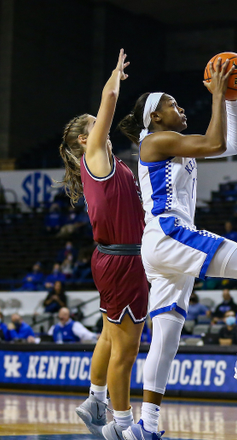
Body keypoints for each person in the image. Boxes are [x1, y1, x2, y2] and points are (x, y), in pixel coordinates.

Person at [118, 57, 237, 440]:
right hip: (170, 232)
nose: (180, 108)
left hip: (161, 244)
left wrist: (230, 99)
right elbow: (215, 141)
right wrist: (217, 93)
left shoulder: (172, 141)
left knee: (166, 337)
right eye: (172, 104)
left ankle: (145, 425)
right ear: (155, 117)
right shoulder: (156, 141)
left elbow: (232, 145)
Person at [59, 50, 149, 440]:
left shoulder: (112, 163)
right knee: (126, 351)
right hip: (124, 261)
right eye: (96, 126)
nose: (104, 129)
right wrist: (114, 77)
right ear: (85, 138)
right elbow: (109, 102)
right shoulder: (95, 156)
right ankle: (124, 426)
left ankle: (95, 400)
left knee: (110, 336)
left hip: (116, 259)